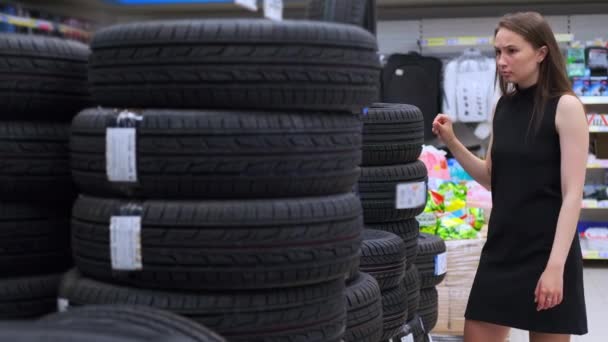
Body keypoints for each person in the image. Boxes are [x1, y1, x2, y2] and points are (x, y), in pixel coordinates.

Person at [432, 12, 588, 342]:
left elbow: (573, 194)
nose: (502, 61)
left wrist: (556, 266)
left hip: (549, 251)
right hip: (502, 249)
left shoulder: (566, 107)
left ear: (542, 53)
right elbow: (492, 179)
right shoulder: (502, 106)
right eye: (498, 52)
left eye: (512, 51)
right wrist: (452, 142)